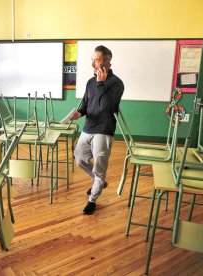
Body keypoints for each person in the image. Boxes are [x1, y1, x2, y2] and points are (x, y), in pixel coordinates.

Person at [70, 45, 124, 215]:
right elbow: (87, 103)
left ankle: (92, 199)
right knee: (79, 158)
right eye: (92, 59)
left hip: (104, 130)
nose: (93, 64)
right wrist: (79, 113)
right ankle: (97, 181)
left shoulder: (116, 83)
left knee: (100, 169)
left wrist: (101, 83)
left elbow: (104, 107)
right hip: (88, 127)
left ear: (107, 62)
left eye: (97, 60)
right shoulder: (90, 82)